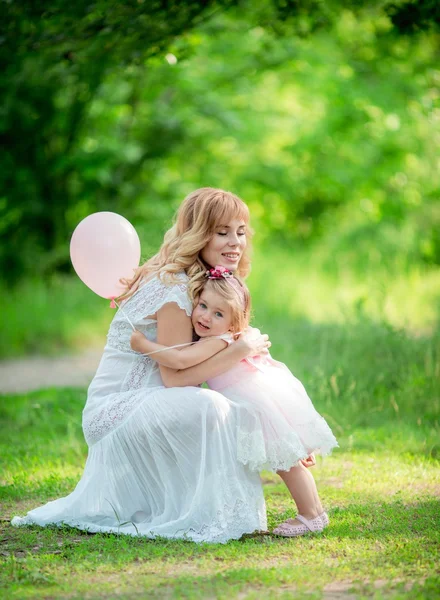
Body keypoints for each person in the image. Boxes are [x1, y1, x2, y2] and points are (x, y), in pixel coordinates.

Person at [12, 188, 272, 543]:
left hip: (150, 401)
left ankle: (210, 505)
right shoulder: (176, 288)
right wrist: (239, 349)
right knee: (210, 406)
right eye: (222, 231)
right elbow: (174, 379)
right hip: (116, 411)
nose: (235, 242)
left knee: (236, 406)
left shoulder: (203, 284)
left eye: (241, 231)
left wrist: (279, 423)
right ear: (198, 233)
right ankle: (200, 512)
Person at [131, 265, 339, 536]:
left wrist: (144, 345)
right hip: (265, 396)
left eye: (218, 313)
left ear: (233, 323)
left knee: (286, 464)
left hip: (256, 402)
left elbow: (180, 360)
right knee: (289, 463)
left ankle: (311, 514)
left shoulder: (217, 341)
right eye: (203, 305)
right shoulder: (221, 336)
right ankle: (314, 512)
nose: (205, 317)